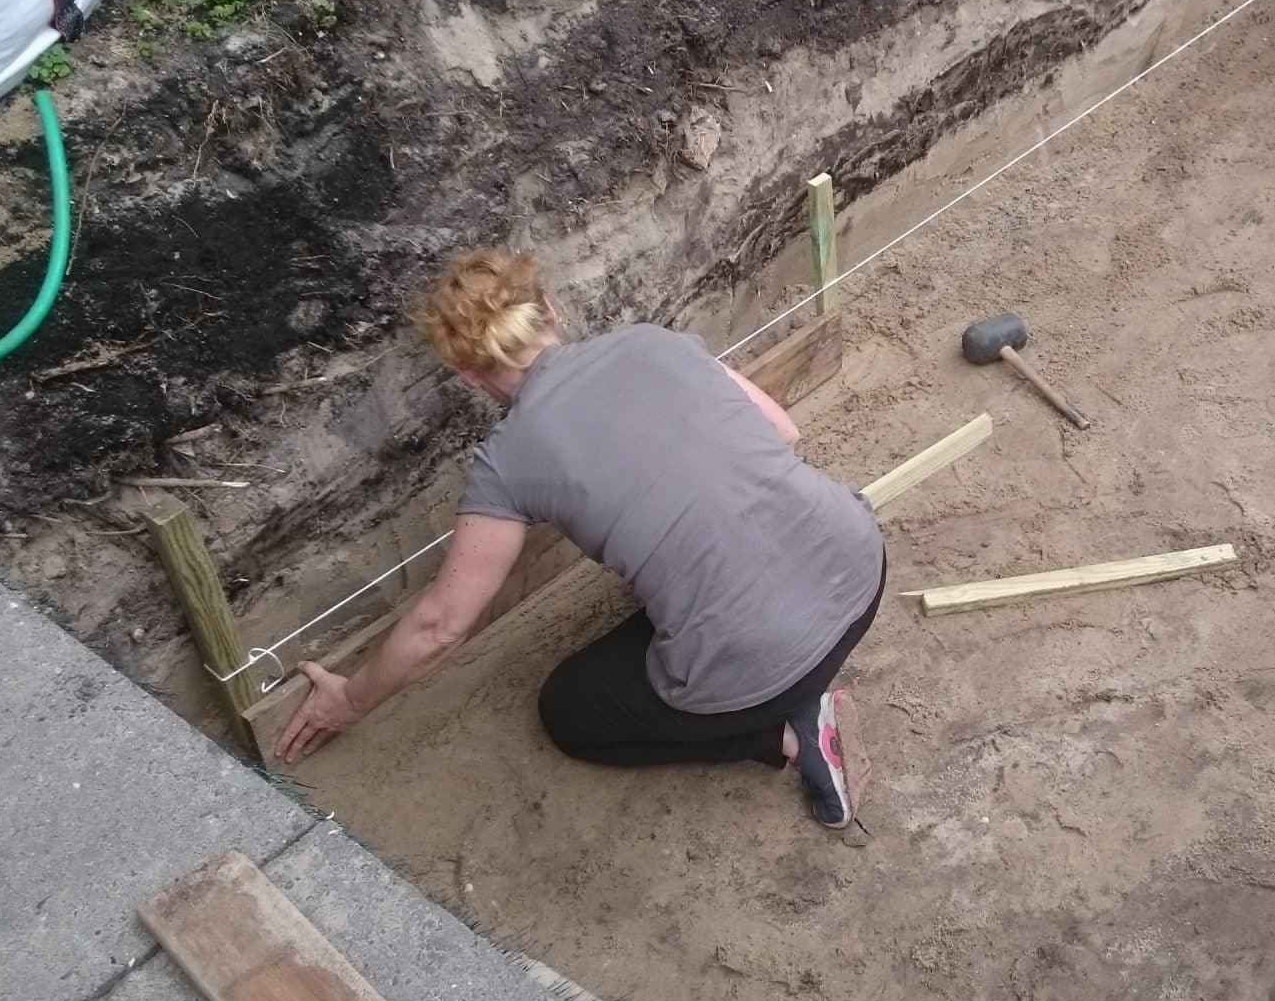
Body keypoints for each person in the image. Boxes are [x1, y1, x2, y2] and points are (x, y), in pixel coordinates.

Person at [274, 247, 887, 828]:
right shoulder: (653, 341)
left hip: (763, 663)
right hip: (860, 569)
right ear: (552, 312)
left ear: (468, 377)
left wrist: (349, 701)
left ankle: (787, 735)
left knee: (569, 712)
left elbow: (442, 626)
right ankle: (786, 688)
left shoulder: (506, 461)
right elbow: (783, 431)